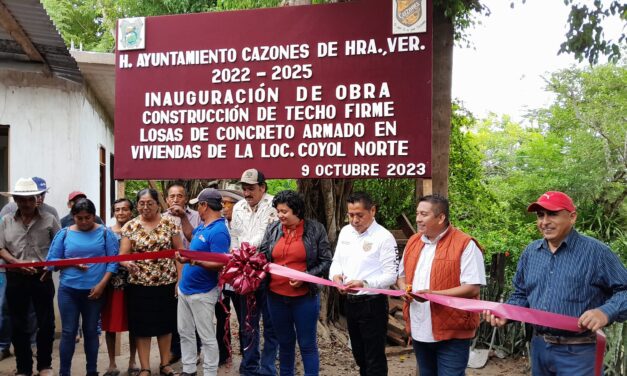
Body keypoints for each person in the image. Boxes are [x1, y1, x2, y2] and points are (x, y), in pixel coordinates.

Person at [485, 191, 627, 375]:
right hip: (539, 348)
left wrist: (605, 312)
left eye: (552, 214)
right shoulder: (531, 253)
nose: (544, 222)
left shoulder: (597, 253)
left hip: (580, 353)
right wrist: (507, 313)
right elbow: (521, 294)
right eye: (540, 215)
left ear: (572, 217)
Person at [397, 194, 486, 376]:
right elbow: (402, 276)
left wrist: (434, 294)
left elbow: (472, 287)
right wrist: (403, 289)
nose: (418, 219)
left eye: (424, 214)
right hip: (419, 327)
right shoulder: (413, 241)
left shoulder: (465, 244)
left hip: (452, 331)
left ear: (441, 217)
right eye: (417, 213)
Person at [260, 190, 332, 376]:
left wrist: (305, 276)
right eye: (278, 211)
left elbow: (326, 262)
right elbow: (262, 256)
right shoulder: (273, 229)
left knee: (307, 344)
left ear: (297, 211)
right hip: (275, 297)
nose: (280, 215)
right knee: (285, 343)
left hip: (304, 298)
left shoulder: (316, 229)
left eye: (285, 211)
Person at [46, 198, 119, 376]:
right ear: (73, 217)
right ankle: (65, 372)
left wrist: (102, 285)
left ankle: (91, 371)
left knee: (91, 331)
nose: (84, 222)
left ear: (94, 216)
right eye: (80, 218)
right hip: (69, 291)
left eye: (88, 217)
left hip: (95, 292)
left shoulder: (105, 233)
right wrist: (70, 263)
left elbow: (113, 262)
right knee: (68, 332)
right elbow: (50, 263)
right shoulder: (64, 234)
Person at [329, 191, 398, 376]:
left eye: (360, 215)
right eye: (350, 215)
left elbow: (391, 275)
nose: (354, 220)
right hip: (350, 302)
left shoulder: (384, 237)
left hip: (373, 304)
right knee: (359, 355)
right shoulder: (345, 232)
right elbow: (336, 262)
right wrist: (335, 277)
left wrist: (364, 283)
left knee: (374, 358)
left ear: (372, 210)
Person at [119, 188, 183, 376]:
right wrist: (127, 263)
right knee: (142, 327)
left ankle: (164, 364)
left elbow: (179, 253)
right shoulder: (130, 226)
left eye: (150, 203)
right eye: (141, 203)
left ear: (157, 204)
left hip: (166, 283)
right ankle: (145, 367)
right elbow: (122, 256)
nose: (145, 207)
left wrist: (180, 280)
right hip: (139, 285)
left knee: (165, 325)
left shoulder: (169, 223)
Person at [0, 178, 61, 376]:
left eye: (30, 199)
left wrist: (49, 267)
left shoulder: (49, 219)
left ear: (37, 199)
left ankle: (45, 365)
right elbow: (0, 248)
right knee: (18, 324)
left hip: (41, 277)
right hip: (15, 277)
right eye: (21, 199)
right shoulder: (6, 220)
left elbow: (60, 245)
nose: (26, 203)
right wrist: (16, 264)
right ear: (15, 200)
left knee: (46, 323)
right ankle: (23, 368)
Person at [175, 188, 230, 376]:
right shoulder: (203, 226)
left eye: (198, 205)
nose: (197, 208)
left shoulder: (219, 231)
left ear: (204, 205)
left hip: (202, 292)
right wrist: (183, 217)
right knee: (185, 332)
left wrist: (193, 260)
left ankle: (210, 372)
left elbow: (220, 263)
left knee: (206, 336)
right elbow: (191, 237)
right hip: (186, 289)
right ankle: (189, 369)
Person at [229, 168, 279, 376]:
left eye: (251, 189)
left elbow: (267, 237)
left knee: (270, 322)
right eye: (244, 189)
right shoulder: (238, 207)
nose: (247, 193)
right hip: (243, 272)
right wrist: (237, 258)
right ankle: (249, 366)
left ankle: (267, 368)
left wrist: (246, 253)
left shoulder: (274, 205)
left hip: (267, 273)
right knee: (247, 322)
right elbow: (234, 235)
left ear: (262, 187)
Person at [162, 182, 202, 365]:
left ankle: (197, 350)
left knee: (195, 313)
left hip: (194, 269)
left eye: (179, 196)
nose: (175, 199)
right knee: (174, 313)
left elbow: (199, 241)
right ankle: (175, 350)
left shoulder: (197, 216)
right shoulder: (161, 218)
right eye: (172, 196)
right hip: (168, 271)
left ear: (185, 198)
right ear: (166, 199)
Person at [102, 198, 139, 376]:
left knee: (134, 323)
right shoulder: (107, 233)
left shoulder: (138, 230)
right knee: (110, 324)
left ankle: (133, 361)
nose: (121, 213)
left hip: (134, 282)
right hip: (112, 283)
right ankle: (111, 363)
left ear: (131, 211)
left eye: (125, 209)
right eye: (117, 210)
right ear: (113, 212)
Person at [216, 188, 244, 366]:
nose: (224, 208)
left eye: (228, 204)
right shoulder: (219, 225)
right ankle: (223, 353)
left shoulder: (243, 225)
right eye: (222, 204)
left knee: (244, 317)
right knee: (221, 317)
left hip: (241, 280)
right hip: (221, 280)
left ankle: (246, 352)